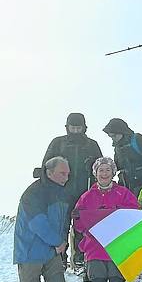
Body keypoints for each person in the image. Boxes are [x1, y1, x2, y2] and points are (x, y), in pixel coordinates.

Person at [72, 157, 138, 282]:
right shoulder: (86, 197)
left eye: (108, 170)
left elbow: (134, 215)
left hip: (117, 250)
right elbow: (78, 221)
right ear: (95, 173)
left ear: (113, 172)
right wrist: (86, 227)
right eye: (101, 170)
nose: (104, 174)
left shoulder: (123, 194)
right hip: (94, 251)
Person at [13, 156, 76, 282]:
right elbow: (37, 223)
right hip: (30, 253)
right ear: (49, 173)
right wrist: (57, 242)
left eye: (68, 173)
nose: (67, 177)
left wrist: (61, 244)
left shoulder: (62, 193)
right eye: (62, 173)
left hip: (52, 254)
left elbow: (64, 221)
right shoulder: (33, 193)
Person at [42, 113, 103, 269]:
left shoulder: (91, 145)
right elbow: (46, 165)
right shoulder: (58, 143)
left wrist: (92, 166)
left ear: (84, 128)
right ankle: (59, 257)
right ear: (67, 127)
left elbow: (101, 167)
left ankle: (81, 256)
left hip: (85, 191)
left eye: (79, 128)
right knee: (60, 224)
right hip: (61, 191)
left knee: (82, 224)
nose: (76, 131)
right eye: (73, 127)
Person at [102, 118, 142, 196]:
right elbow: (117, 165)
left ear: (121, 132)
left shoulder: (138, 139)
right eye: (110, 136)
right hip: (126, 185)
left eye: (114, 135)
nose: (113, 138)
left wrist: (140, 173)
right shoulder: (117, 147)